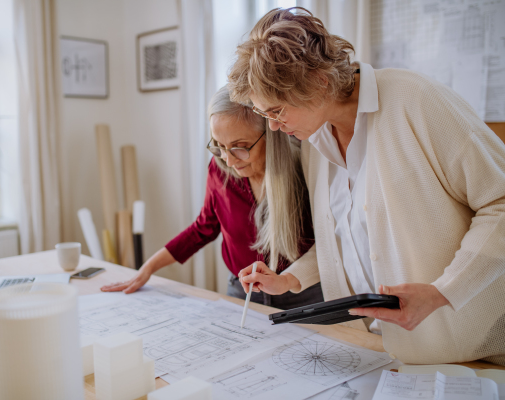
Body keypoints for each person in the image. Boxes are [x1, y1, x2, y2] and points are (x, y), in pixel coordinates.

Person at [229, 7, 505, 365]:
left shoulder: (417, 101)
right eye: (266, 115)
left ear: (319, 82)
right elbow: (341, 239)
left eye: (277, 111)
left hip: (465, 352)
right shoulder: (315, 140)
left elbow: (500, 201)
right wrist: (289, 280)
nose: (276, 126)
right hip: (376, 352)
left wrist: (442, 292)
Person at [100, 86, 323, 310]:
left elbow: (327, 243)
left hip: (301, 294)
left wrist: (287, 281)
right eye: (220, 146)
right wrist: (148, 268)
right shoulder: (219, 171)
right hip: (242, 292)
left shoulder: (304, 167)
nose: (229, 160)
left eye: (240, 147)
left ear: (271, 134)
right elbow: (203, 228)